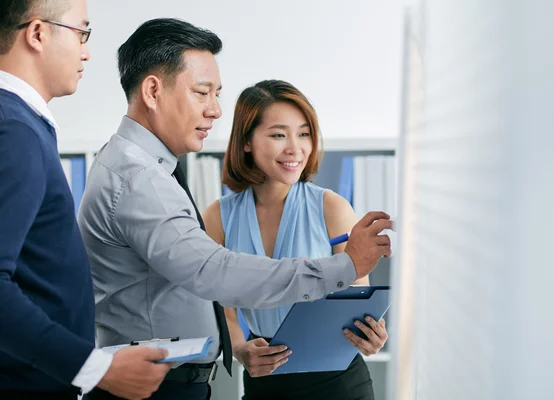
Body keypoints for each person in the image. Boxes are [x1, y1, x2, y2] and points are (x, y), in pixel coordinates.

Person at [77, 18, 392, 400]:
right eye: (202, 93)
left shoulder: (151, 169)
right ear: (153, 90)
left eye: (217, 94)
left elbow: (355, 306)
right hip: (169, 384)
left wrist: (366, 327)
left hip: (332, 381)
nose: (214, 110)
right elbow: (214, 275)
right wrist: (343, 267)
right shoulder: (139, 178)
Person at [0, 1, 172, 399]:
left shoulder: (22, 124)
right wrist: (95, 369)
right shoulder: (14, 130)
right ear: (38, 33)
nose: (87, 51)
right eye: (81, 32)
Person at [202, 79, 388, 400]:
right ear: (246, 141)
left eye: (304, 134)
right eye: (278, 134)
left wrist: (370, 333)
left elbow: (358, 297)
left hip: (339, 383)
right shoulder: (218, 217)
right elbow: (223, 310)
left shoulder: (332, 207)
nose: (295, 148)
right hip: (265, 383)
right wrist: (240, 348)